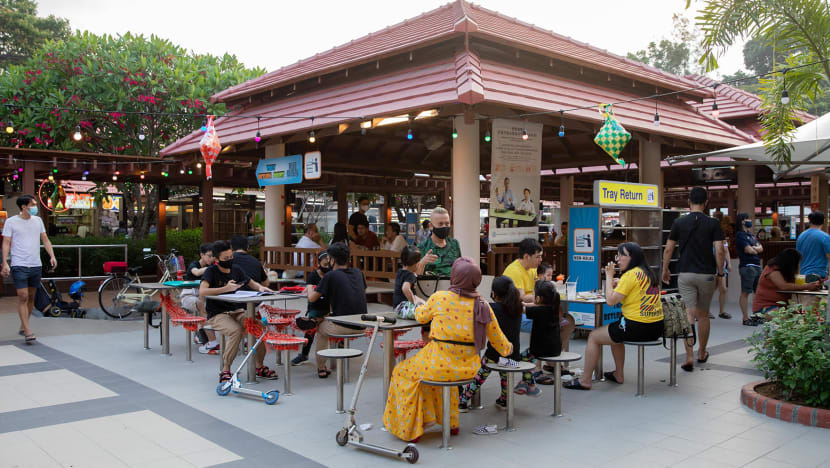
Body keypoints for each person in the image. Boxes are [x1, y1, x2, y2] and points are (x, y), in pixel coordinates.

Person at [383, 257, 512, 443]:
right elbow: (502, 345)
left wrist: (419, 304)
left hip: (437, 364)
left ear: (454, 277)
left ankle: (411, 427)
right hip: (469, 368)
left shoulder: (440, 298)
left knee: (403, 372)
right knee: (440, 375)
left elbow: (420, 316)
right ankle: (450, 423)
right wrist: (510, 348)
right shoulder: (483, 306)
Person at [566, 242, 664, 390]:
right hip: (656, 327)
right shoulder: (649, 273)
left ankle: (585, 380)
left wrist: (609, 276)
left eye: (621, 255)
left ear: (632, 257)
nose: (618, 259)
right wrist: (617, 281)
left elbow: (611, 301)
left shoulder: (630, 275)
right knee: (615, 333)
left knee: (593, 336)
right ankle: (618, 374)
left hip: (637, 326)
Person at [661, 187, 724, 371]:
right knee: (703, 314)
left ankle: (688, 356)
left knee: (688, 313)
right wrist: (720, 273)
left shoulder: (679, 222)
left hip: (685, 273)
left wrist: (665, 269)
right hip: (706, 275)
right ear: (706, 203)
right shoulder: (713, 224)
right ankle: (701, 353)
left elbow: (668, 248)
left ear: (689, 202)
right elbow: (719, 250)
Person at [199, 240, 276, 383]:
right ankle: (225, 369)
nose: (229, 261)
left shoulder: (236, 269)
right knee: (235, 331)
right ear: (216, 260)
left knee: (259, 328)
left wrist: (260, 288)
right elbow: (202, 291)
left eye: (231, 257)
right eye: (225, 259)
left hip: (238, 310)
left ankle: (259, 366)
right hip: (218, 313)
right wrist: (225, 289)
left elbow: (250, 282)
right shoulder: (211, 271)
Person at [459, 276, 523, 411]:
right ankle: (504, 400)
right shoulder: (517, 308)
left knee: (480, 374)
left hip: (494, 354)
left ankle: (463, 400)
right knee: (505, 375)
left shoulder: (492, 308)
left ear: (494, 293)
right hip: (513, 353)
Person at [1, 195, 57, 344]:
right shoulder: (11, 222)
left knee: (31, 297)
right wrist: (5, 263)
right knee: (23, 296)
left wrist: (52, 255)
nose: (35, 207)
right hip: (19, 264)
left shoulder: (38, 221)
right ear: (24, 207)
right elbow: (6, 242)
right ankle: (27, 331)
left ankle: (23, 324)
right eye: (32, 204)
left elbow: (45, 239)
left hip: (35, 264)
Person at [307, 242, 367, 378]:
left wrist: (310, 285)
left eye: (328, 258)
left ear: (332, 260)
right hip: (363, 325)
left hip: (343, 326)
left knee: (321, 327)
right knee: (331, 317)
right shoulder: (358, 273)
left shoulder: (330, 276)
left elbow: (312, 298)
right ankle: (339, 346)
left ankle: (321, 367)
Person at [516, 280, 562, 392]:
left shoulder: (539, 311)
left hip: (540, 350)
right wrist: (525, 304)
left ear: (538, 298)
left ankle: (529, 384)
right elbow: (532, 305)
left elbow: (521, 310)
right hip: (555, 348)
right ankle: (526, 383)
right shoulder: (553, 306)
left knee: (521, 358)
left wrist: (511, 303)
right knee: (526, 358)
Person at [752, 248, 821, 318]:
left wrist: (812, 285)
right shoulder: (773, 270)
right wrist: (807, 286)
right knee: (788, 317)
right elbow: (783, 286)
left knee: (804, 314)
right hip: (766, 306)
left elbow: (795, 285)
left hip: (782, 306)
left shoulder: (785, 271)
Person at [291, 251, 332, 366]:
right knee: (310, 331)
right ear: (318, 263)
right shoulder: (313, 276)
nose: (327, 267)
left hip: (330, 307)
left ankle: (341, 352)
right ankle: (304, 355)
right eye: (324, 265)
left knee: (335, 328)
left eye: (329, 265)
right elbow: (311, 295)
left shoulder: (333, 274)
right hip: (316, 306)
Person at [178, 243, 217, 352]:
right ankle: (212, 341)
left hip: (205, 296)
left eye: (213, 256)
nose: (211, 258)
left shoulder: (213, 266)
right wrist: (212, 268)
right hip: (189, 295)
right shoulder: (194, 265)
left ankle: (201, 333)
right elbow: (196, 272)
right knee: (202, 305)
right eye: (209, 256)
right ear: (201, 255)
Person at [735, 213, 764, 326]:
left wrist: (754, 248)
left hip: (757, 265)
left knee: (758, 292)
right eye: (747, 218)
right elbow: (748, 250)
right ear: (742, 221)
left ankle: (757, 315)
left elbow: (761, 248)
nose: (750, 220)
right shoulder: (740, 235)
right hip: (747, 266)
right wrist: (755, 249)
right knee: (746, 292)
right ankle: (745, 318)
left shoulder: (751, 235)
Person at [416, 206, 460, 277]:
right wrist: (422, 263)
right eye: (440, 224)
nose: (444, 226)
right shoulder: (422, 247)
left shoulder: (454, 244)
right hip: (430, 286)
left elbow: (460, 268)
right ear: (430, 226)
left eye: (447, 224)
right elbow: (415, 278)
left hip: (452, 286)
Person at [795, 211, 830, 282]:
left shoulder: (801, 236)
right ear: (823, 221)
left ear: (810, 221)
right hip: (817, 276)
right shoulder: (825, 237)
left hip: (802, 275)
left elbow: (797, 257)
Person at [393, 246, 425, 320]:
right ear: (416, 264)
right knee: (426, 311)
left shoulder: (400, 272)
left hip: (397, 308)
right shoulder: (410, 275)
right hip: (404, 307)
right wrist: (414, 302)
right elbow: (405, 288)